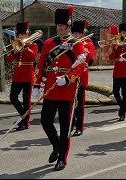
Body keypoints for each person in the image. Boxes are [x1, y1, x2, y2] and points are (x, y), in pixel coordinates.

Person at [32, 5, 86, 171]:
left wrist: (69, 79)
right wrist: (36, 84)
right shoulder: (49, 43)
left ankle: (62, 158)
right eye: (57, 26)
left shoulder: (76, 44)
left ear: (68, 26)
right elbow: (41, 65)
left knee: (65, 126)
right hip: (51, 88)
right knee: (45, 121)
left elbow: (81, 66)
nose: (59, 29)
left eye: (62, 26)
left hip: (66, 89)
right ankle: (56, 145)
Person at [6, 21, 38, 131]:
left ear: (27, 34)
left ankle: (25, 122)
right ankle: (24, 117)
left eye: (22, 34)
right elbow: (8, 59)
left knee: (26, 100)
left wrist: (25, 47)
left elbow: (32, 57)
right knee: (13, 97)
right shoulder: (15, 44)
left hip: (28, 76)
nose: (20, 36)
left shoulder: (33, 45)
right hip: (17, 76)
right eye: (19, 35)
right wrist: (15, 51)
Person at [71, 20, 96, 137]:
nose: (76, 35)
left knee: (79, 103)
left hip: (81, 76)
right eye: (74, 33)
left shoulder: (88, 43)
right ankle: (71, 124)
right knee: (70, 103)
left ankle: (79, 127)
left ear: (82, 33)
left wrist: (80, 47)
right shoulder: (69, 42)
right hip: (69, 75)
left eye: (78, 33)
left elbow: (89, 56)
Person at [109, 22, 126, 121]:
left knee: (125, 94)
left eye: (125, 32)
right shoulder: (116, 43)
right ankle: (122, 106)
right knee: (115, 92)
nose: (123, 34)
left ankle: (122, 113)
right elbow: (111, 57)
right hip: (117, 71)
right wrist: (115, 48)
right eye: (121, 32)